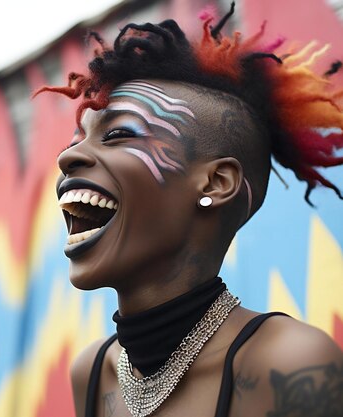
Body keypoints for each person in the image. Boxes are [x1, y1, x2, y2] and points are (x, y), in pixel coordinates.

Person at [35, 4, 343, 417]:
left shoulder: (289, 363)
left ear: (216, 184)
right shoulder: (91, 373)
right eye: (77, 139)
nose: (68, 158)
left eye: (118, 134)